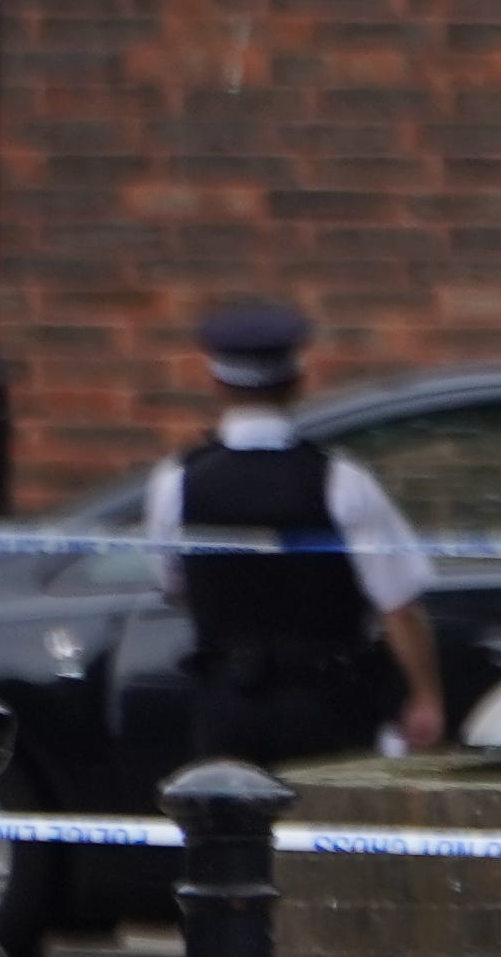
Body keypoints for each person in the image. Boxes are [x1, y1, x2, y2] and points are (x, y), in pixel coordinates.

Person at [144, 305, 445, 766]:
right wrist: (425, 697)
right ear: (297, 381)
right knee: (324, 835)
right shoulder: (342, 479)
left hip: (226, 704)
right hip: (329, 705)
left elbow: (174, 584)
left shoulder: (177, 481)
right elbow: (398, 604)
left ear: (216, 383)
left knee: (231, 831)